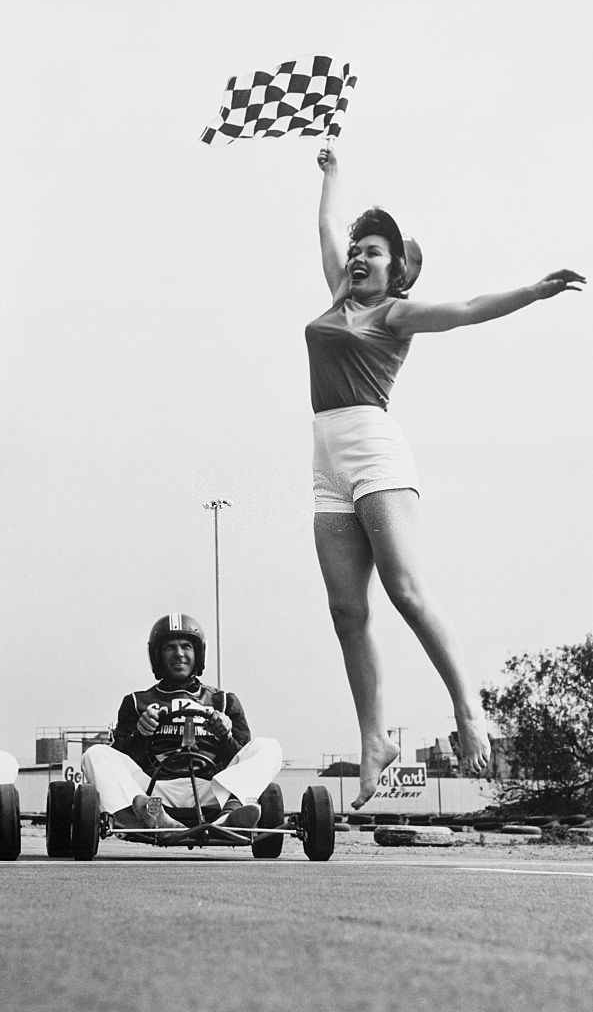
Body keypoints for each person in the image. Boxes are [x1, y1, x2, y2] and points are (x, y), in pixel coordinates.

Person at [308, 143, 585, 809]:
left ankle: (467, 708)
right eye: (358, 249)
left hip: (375, 452)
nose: (359, 257)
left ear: (396, 271)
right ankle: (374, 738)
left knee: (403, 590)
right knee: (347, 611)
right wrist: (332, 174)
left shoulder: (394, 314)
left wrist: (532, 291)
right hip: (325, 461)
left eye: (375, 252)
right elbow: (325, 228)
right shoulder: (337, 298)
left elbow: (466, 308)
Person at [82, 613, 282, 833]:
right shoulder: (136, 702)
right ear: (157, 655)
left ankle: (231, 813)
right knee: (95, 754)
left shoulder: (224, 701)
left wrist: (225, 736)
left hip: (213, 789)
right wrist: (140, 734)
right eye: (170, 648)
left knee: (269, 747)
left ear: (198, 653)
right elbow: (119, 761)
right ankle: (147, 816)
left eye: (186, 646)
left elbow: (244, 761)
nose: (179, 654)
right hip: (155, 790)